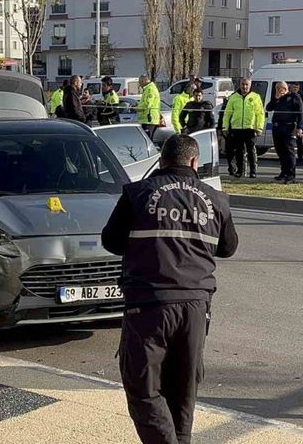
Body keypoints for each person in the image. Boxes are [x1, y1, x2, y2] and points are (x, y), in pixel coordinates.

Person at [102, 134, 239, 444]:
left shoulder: (139, 193)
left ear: (161, 162)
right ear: (194, 162)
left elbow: (111, 240)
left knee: (144, 389)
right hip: (195, 307)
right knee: (183, 390)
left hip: (149, 304)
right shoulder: (215, 199)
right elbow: (228, 247)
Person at [222, 77, 265, 178]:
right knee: (239, 151)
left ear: (250, 85)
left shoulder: (256, 97)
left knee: (251, 151)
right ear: (240, 85)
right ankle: (240, 171)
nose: (244, 86)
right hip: (237, 128)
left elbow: (260, 114)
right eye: (243, 84)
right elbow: (227, 113)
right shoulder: (234, 97)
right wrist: (225, 127)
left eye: (246, 85)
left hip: (250, 128)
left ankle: (253, 171)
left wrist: (259, 127)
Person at [266, 81, 303, 184]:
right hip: (277, 127)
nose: (279, 90)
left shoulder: (294, 97)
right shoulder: (277, 98)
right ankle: (283, 173)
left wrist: (300, 127)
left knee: (289, 151)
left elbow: (300, 113)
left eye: (281, 88)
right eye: (277, 89)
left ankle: (291, 175)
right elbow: (268, 108)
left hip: (288, 127)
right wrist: (275, 99)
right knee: (280, 151)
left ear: (286, 88)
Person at [137, 75, 161, 139]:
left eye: (140, 82)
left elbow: (147, 104)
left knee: (147, 139)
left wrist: (137, 108)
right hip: (147, 119)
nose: (139, 84)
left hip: (149, 118)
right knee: (147, 138)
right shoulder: (147, 89)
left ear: (143, 81)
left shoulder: (150, 89)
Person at [290, 82, 303, 166]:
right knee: (290, 142)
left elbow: (302, 111)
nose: (296, 89)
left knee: (299, 142)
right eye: (294, 87)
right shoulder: (289, 96)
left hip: (297, 122)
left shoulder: (301, 97)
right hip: (290, 121)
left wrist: (300, 126)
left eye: (297, 87)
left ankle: (300, 158)